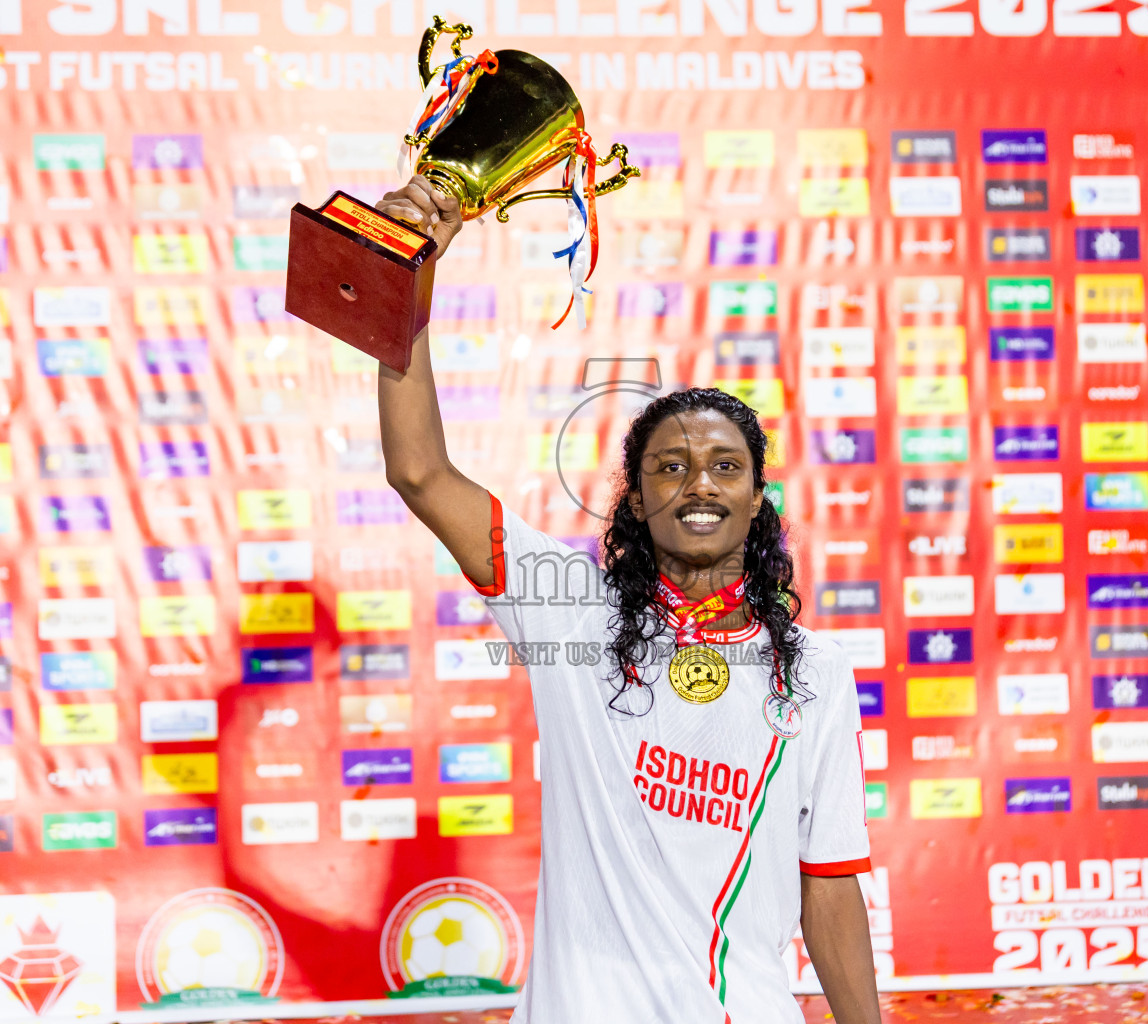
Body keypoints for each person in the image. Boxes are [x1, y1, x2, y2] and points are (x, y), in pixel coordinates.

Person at [375, 175, 880, 1024]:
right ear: (636, 499)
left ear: (758, 498)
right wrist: (404, 276)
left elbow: (827, 884)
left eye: (726, 467)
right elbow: (420, 471)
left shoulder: (817, 672)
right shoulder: (571, 611)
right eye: (670, 467)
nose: (699, 485)